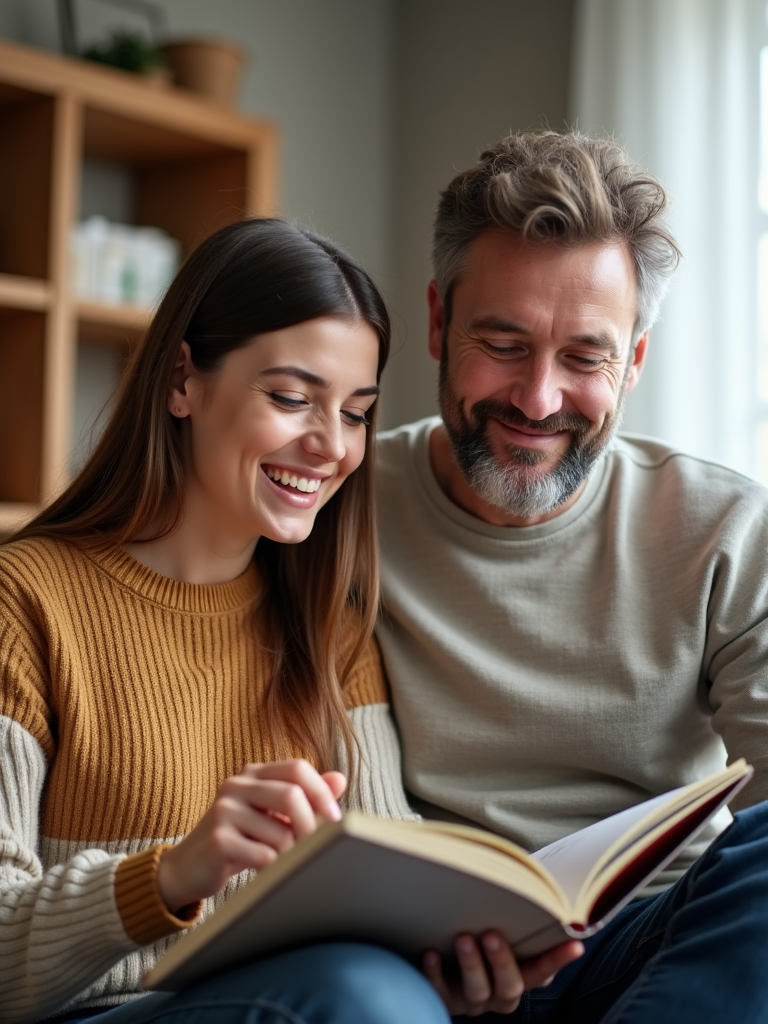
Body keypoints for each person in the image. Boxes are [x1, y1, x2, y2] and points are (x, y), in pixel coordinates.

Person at [0, 218, 461, 1024]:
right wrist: (173, 875)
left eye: (355, 413)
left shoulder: (331, 628)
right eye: (291, 398)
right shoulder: (25, 602)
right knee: (361, 995)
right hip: (96, 1013)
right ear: (183, 380)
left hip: (304, 1000)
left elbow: (393, 875)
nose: (329, 446)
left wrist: (457, 951)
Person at [375, 131, 768, 1021]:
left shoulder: (726, 531)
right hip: (424, 964)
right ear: (438, 322)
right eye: (503, 343)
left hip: (660, 946)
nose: (538, 399)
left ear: (633, 361)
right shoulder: (335, 510)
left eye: (585, 357)